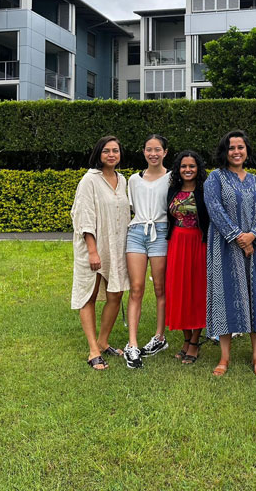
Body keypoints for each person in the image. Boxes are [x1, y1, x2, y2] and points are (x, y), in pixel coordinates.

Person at [204, 130, 256, 377]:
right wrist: (239, 237)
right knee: (226, 294)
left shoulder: (255, 180)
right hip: (225, 246)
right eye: (231, 147)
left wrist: (252, 235)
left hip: (255, 247)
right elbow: (215, 209)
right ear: (225, 151)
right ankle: (224, 357)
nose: (236, 152)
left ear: (246, 150)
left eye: (240, 147)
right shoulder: (215, 178)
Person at [70, 136, 131, 370]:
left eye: (115, 150)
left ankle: (103, 342)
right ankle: (93, 350)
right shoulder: (89, 180)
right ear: (99, 154)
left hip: (117, 246)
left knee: (116, 294)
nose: (111, 155)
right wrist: (92, 251)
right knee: (90, 295)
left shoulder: (123, 180)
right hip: (93, 247)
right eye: (106, 151)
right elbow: (84, 216)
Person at [123, 134, 171, 369]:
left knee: (160, 287)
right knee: (136, 288)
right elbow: (131, 207)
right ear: (143, 152)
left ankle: (159, 337)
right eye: (149, 149)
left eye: (157, 149)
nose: (153, 154)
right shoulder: (133, 179)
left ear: (165, 152)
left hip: (160, 232)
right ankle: (132, 344)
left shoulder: (172, 177)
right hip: (136, 232)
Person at [165, 150, 210, 365]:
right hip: (176, 243)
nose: (188, 169)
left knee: (197, 292)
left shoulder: (204, 191)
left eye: (192, 166)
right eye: (184, 166)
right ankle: (185, 339)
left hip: (198, 243)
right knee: (179, 291)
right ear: (178, 169)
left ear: (198, 168)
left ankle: (194, 341)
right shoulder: (173, 190)